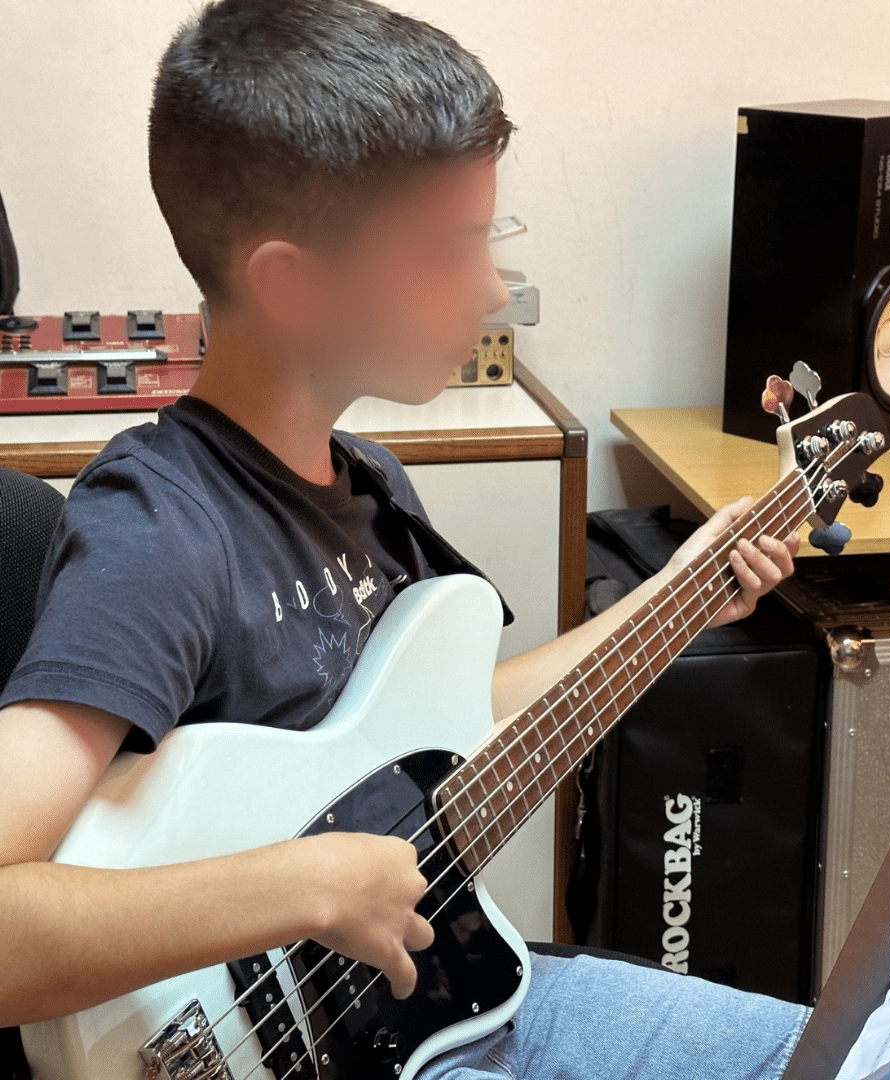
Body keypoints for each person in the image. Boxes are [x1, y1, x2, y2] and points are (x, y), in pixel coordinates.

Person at [0, 1, 809, 1076]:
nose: (493, 291)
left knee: (841, 1051)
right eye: (447, 251)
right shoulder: (160, 532)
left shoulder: (371, 481)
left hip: (447, 1007)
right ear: (291, 281)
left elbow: (451, 729)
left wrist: (679, 595)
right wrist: (298, 888)